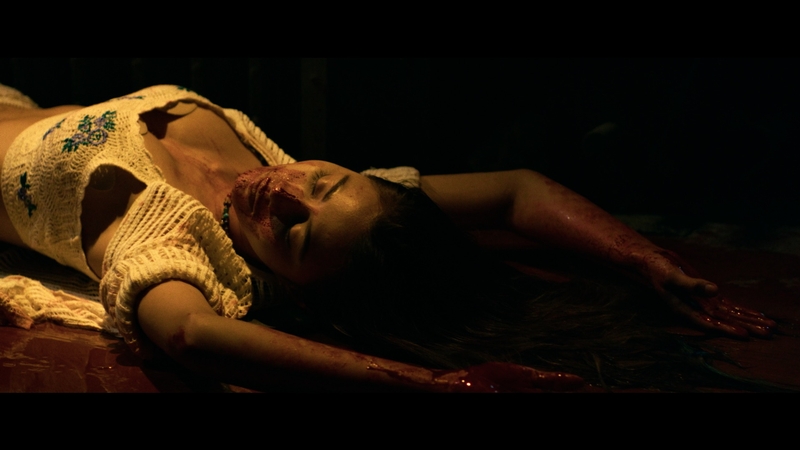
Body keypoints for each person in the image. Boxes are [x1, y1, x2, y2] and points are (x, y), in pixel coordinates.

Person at [0, 83, 775, 392]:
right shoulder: (316, 181)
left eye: (295, 236)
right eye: (324, 185)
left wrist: (432, 386)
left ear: (293, 285)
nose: (285, 195)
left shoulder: (166, 232)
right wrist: (645, 260)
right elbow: (517, 192)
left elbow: (192, 335)